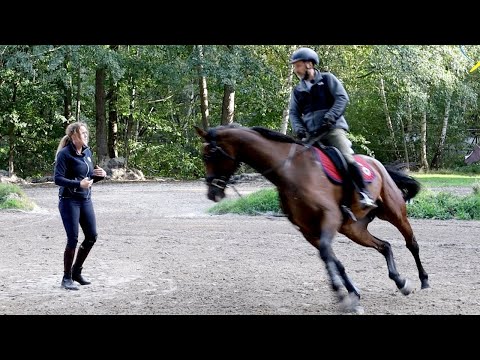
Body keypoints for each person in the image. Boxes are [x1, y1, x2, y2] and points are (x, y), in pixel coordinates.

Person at [288, 47, 377, 210]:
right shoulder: (297, 90)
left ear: (309, 64)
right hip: (311, 134)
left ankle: (364, 194)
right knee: (298, 162)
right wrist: (299, 129)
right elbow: (293, 113)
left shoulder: (328, 79)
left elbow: (342, 98)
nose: (295, 70)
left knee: (347, 158)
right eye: (294, 66)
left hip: (332, 129)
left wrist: (330, 117)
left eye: (298, 65)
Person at [54, 122, 107, 290]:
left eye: (86, 133)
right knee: (73, 238)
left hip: (85, 200)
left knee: (92, 236)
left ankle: (76, 272)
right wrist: (78, 184)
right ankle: (66, 278)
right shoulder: (64, 154)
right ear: (73, 136)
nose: (85, 135)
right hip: (69, 200)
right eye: (82, 133)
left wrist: (100, 175)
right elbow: (57, 179)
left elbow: (87, 178)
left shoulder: (87, 152)